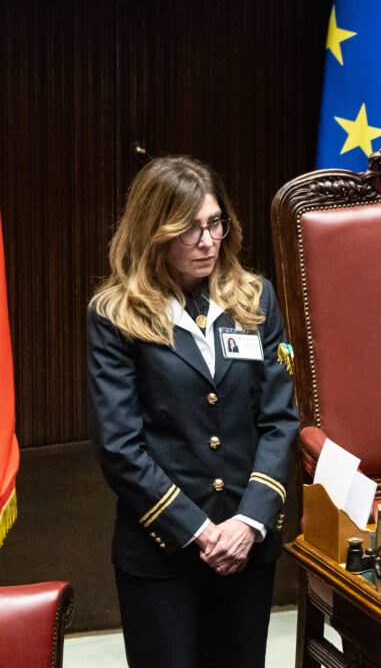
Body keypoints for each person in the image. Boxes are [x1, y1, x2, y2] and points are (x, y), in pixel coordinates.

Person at [88, 156, 298, 667]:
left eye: (215, 223)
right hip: (163, 551)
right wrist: (201, 532)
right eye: (189, 229)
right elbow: (120, 447)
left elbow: (279, 421)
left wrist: (249, 523)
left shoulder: (255, 299)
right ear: (154, 231)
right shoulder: (116, 315)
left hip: (248, 545)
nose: (207, 241)